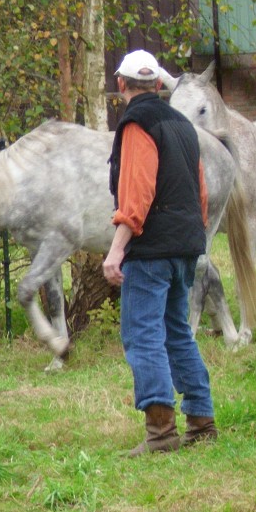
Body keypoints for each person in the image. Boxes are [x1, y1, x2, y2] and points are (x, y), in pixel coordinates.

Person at [103, 49, 218, 455]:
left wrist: (117, 250)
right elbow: (200, 192)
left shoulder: (138, 124)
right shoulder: (183, 126)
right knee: (177, 332)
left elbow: (136, 193)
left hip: (151, 249)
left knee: (143, 334)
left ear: (121, 85)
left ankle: (161, 432)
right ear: (157, 84)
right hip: (186, 243)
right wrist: (192, 235)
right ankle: (202, 421)